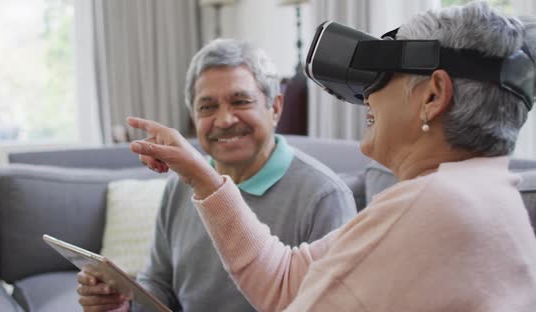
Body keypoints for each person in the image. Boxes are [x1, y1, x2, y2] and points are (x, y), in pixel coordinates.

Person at [128, 2, 536, 311]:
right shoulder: (483, 190)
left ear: (433, 96)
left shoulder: (432, 205)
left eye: (382, 78)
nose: (367, 96)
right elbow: (286, 282)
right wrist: (203, 176)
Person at [76, 39, 357, 311]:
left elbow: (328, 303)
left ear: (275, 108)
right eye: (207, 107)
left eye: (241, 101)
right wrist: (124, 303)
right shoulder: (180, 185)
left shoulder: (325, 196)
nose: (224, 120)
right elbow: (160, 282)